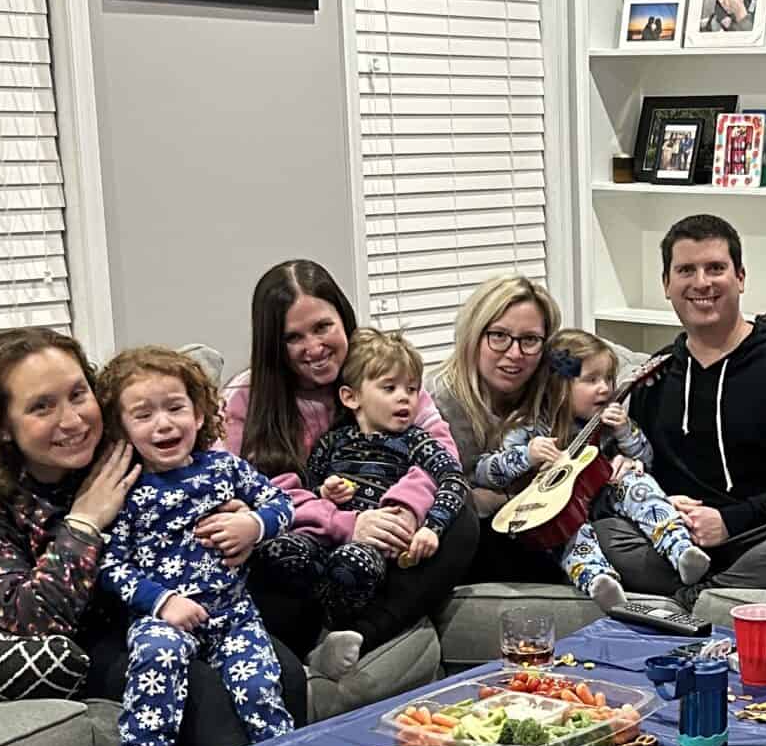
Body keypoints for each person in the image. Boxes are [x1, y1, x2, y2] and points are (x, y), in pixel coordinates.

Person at [0, 326, 308, 746]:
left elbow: (203, 477)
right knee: (206, 700)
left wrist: (240, 518)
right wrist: (84, 522)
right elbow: (32, 621)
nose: (72, 420)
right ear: (3, 425)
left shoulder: (123, 447)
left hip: (188, 609)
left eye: (77, 395)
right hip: (93, 643)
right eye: (41, 407)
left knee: (282, 671)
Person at [226, 260, 479, 663]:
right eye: (294, 337)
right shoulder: (247, 396)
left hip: (388, 546)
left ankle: (361, 633)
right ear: (274, 343)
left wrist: (402, 511)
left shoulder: (380, 370)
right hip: (305, 546)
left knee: (461, 519)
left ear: (343, 319)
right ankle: (312, 638)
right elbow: (260, 491)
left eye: (323, 327)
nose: (313, 347)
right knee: (268, 553)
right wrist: (347, 523)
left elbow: (439, 451)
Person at [598, 214, 766, 595]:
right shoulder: (654, 374)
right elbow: (638, 463)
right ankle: (713, 600)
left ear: (740, 277)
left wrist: (729, 521)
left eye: (715, 268)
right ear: (667, 285)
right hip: (674, 542)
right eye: (686, 270)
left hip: (763, 539)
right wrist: (655, 500)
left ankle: (698, 599)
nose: (701, 282)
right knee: (604, 530)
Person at [96, 347, 295, 746]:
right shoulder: (125, 491)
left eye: (175, 408)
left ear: (200, 414)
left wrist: (252, 525)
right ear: (122, 429)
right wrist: (162, 602)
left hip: (233, 617)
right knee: (155, 656)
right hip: (164, 617)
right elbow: (110, 565)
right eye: (143, 415)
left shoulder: (225, 469)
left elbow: (282, 503)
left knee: (261, 685)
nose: (163, 423)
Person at [254, 331, 471, 674]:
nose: (406, 399)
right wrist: (325, 493)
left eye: (412, 389)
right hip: (330, 534)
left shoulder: (417, 441)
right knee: (281, 550)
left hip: (375, 548)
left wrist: (432, 527)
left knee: (354, 562)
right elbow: (308, 489)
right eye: (390, 388)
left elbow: (454, 480)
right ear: (351, 397)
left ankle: (334, 633)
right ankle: (303, 633)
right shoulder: (331, 443)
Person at [470, 327, 706, 609]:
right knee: (566, 530)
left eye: (607, 378)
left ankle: (680, 548)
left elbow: (647, 458)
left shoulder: (606, 425)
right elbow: (483, 472)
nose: (605, 388)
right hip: (558, 511)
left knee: (635, 481)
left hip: (603, 499)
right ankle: (599, 580)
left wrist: (624, 433)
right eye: (591, 380)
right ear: (557, 386)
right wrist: (527, 456)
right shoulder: (529, 426)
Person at [430, 275, 574, 584]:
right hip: (469, 543)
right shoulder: (438, 400)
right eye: (499, 336)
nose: (514, 353)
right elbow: (455, 498)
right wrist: (511, 493)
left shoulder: (553, 387)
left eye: (530, 340)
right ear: (474, 336)